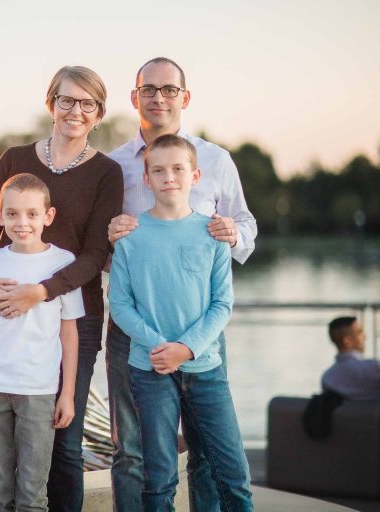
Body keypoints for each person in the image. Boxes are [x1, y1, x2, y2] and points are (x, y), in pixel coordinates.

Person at [0, 66, 123, 512]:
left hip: (74, 316)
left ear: (98, 114)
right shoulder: (16, 158)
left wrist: (43, 290)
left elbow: (95, 253)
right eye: (67, 100)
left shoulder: (106, 173)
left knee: (64, 443)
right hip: (9, 312)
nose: (76, 111)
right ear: (51, 104)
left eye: (87, 103)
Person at [105, 57, 257, 511]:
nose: (158, 97)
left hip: (199, 335)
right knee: (132, 450)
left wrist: (234, 233)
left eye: (169, 89)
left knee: (207, 451)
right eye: (148, 89)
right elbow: (103, 244)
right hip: (135, 334)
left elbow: (244, 223)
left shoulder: (214, 160)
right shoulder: (111, 166)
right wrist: (107, 233)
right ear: (134, 98)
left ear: (184, 98)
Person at [0, 173, 84, 511]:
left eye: (31, 213)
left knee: (32, 495)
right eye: (12, 214)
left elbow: (68, 332)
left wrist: (68, 394)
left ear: (48, 216)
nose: (22, 222)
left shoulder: (62, 264)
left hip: (38, 389)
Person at [321, 316, 380, 401]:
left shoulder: (327, 378)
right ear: (347, 341)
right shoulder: (374, 367)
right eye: (360, 332)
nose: (365, 336)